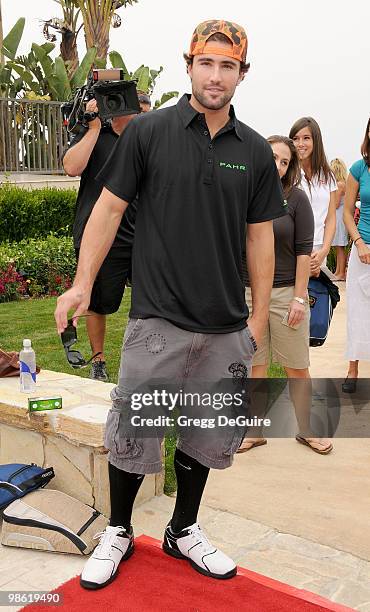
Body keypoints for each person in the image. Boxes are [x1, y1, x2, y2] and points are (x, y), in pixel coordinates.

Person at [55, 19, 286, 588]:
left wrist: (257, 317)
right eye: (206, 63)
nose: (215, 75)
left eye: (227, 66)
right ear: (189, 66)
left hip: (224, 324)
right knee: (135, 429)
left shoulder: (255, 151)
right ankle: (120, 530)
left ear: (242, 74)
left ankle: (184, 529)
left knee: (206, 435)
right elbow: (107, 210)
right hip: (157, 318)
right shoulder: (149, 132)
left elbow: (261, 236)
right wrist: (83, 284)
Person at [240, 136, 332, 454]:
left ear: (289, 167)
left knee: (296, 366)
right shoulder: (243, 195)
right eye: (272, 158)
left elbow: (304, 252)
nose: (277, 165)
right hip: (249, 294)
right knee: (256, 364)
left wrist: (299, 296)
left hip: (284, 294)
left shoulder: (296, 199)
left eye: (284, 161)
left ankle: (306, 429)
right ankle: (254, 431)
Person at [63, 95, 151, 381]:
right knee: (96, 303)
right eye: (140, 114)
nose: (144, 120)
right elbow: (71, 167)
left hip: (143, 234)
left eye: (148, 115)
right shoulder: (95, 134)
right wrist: (92, 129)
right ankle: (98, 361)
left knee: (151, 301)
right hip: (99, 235)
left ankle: (147, 360)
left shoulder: (148, 141)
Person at [289, 117, 337, 277]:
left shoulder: (328, 175)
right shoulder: (287, 175)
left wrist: (324, 250)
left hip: (317, 252)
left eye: (306, 138)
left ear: (316, 141)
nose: (300, 144)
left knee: (314, 299)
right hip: (290, 250)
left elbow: (330, 218)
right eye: (295, 139)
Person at [342, 117, 370, 393]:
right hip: (363, 251)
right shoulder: (358, 168)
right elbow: (347, 213)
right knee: (357, 312)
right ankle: (353, 368)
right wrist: (359, 242)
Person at [330, 158, 348, 281]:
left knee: (340, 246)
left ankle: (341, 273)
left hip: (339, 217)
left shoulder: (339, 184)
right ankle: (337, 271)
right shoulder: (343, 183)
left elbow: (335, 204)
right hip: (340, 216)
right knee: (338, 246)